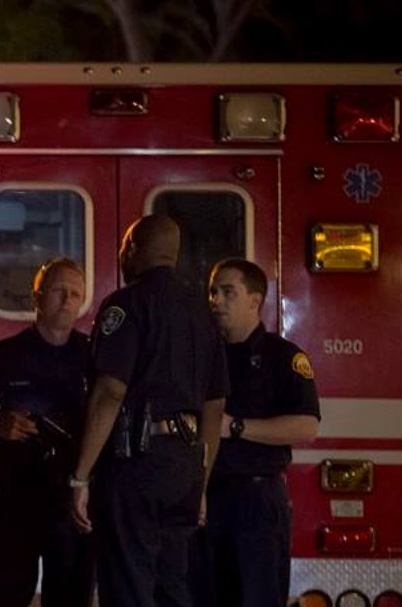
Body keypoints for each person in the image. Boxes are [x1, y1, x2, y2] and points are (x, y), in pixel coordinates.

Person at [68, 215, 228, 607]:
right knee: (172, 584)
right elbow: (215, 405)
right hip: (185, 466)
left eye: (125, 248)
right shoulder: (202, 313)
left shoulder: (126, 304)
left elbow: (110, 391)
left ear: (135, 250)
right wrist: (201, 482)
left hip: (136, 462)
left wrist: (80, 476)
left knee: (127, 585)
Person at [193, 259, 320, 607]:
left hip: (256, 501)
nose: (216, 300)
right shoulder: (201, 357)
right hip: (205, 499)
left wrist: (236, 427)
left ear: (255, 300)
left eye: (228, 292)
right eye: (213, 292)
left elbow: (307, 426)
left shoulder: (283, 358)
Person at [0, 258, 95, 607]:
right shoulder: (0, 359)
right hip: (18, 499)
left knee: (71, 596)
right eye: (58, 291)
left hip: (72, 500)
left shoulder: (94, 359)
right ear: (36, 298)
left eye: (75, 294)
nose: (67, 300)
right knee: (3, 595)